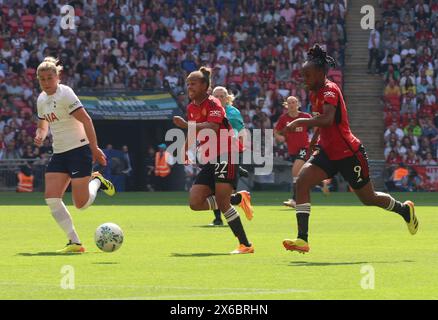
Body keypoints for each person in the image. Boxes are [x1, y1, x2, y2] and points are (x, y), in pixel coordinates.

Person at [282, 45, 419, 254]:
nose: (304, 79)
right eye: (303, 75)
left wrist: (300, 122)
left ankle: (404, 210)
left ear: (320, 73)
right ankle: (302, 239)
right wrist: (314, 141)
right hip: (327, 152)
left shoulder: (330, 89)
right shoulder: (315, 92)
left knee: (368, 198)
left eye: (307, 75)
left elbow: (328, 119)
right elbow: (322, 120)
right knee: (302, 182)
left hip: (349, 154)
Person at [34, 57, 115, 254]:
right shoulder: (41, 99)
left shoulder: (66, 94)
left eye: (49, 78)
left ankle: (96, 181)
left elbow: (86, 120)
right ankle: (75, 242)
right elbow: (43, 125)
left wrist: (94, 149)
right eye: (42, 79)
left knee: (81, 204)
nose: (46, 82)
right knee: (51, 198)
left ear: (57, 76)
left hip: (79, 150)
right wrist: (40, 135)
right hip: (59, 152)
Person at [173, 67, 254, 254]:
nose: (189, 87)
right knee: (195, 202)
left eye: (193, 83)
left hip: (227, 153)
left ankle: (245, 245)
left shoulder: (213, 103)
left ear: (204, 86)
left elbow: (213, 126)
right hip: (211, 158)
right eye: (187, 84)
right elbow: (195, 131)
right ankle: (238, 198)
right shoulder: (192, 107)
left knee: (223, 203)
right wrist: (185, 150)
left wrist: (187, 125)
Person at [210, 86, 252, 226]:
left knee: (225, 188)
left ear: (227, 98)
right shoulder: (208, 111)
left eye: (222, 96)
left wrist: (240, 153)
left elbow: (240, 132)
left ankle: (237, 200)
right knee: (213, 185)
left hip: (230, 151)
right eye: (217, 95)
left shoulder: (233, 112)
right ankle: (218, 218)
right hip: (212, 150)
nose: (220, 98)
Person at [274, 96, 312, 208]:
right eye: (289, 103)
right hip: (292, 150)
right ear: (286, 105)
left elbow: (316, 128)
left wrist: (314, 141)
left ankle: (295, 200)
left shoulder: (305, 116)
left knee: (295, 172)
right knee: (299, 175)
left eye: (294, 102)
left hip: (305, 148)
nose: (291, 104)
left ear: (298, 104)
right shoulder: (283, 118)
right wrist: (278, 137)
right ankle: (322, 183)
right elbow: (276, 131)